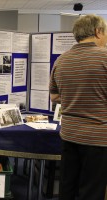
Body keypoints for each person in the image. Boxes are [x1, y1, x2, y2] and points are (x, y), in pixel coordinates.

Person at [49, 14, 107, 200]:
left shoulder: (61, 60)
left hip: (69, 135)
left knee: (67, 188)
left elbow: (54, 96)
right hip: (98, 140)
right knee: (91, 191)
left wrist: (74, 97)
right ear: (98, 32)